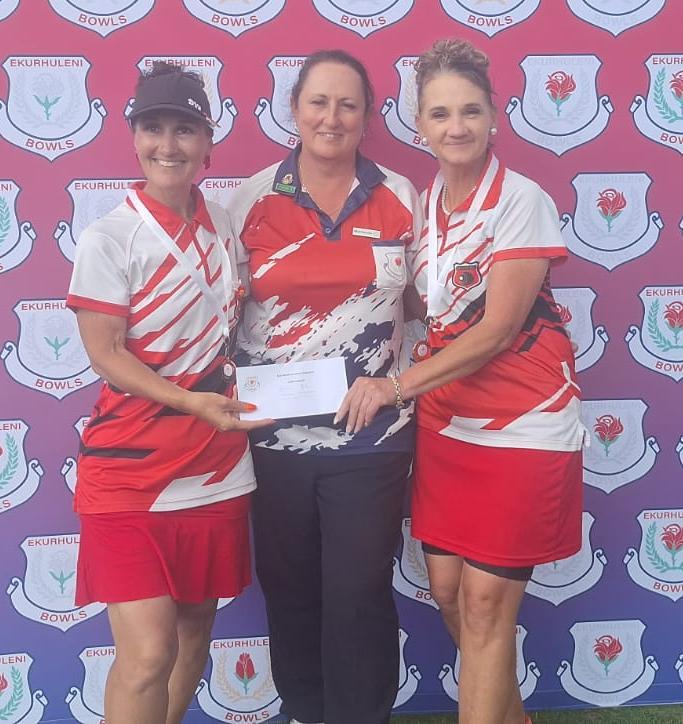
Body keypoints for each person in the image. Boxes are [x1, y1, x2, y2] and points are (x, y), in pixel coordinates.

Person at [337, 39, 584, 724]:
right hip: (448, 426)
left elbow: (497, 329)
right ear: (419, 124)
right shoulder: (423, 208)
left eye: (470, 111)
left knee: (483, 606)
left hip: (523, 421)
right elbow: (421, 305)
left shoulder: (522, 200)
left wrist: (394, 387)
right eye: (440, 114)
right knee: (448, 592)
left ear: (494, 116)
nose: (456, 127)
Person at [67, 61, 270, 724]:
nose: (167, 145)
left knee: (192, 632)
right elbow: (105, 354)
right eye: (152, 128)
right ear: (133, 138)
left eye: (184, 129)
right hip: (129, 470)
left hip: (215, 467)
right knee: (148, 654)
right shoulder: (109, 237)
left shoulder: (226, 227)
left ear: (208, 142)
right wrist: (188, 402)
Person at [227, 50, 421, 724]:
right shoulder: (251, 198)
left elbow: (424, 309)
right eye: (318, 101)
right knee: (290, 591)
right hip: (273, 438)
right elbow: (223, 311)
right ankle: (306, 712)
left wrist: (401, 381)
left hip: (372, 436)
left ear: (367, 116)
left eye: (347, 104)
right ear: (294, 109)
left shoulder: (401, 195)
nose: (331, 117)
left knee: (358, 592)